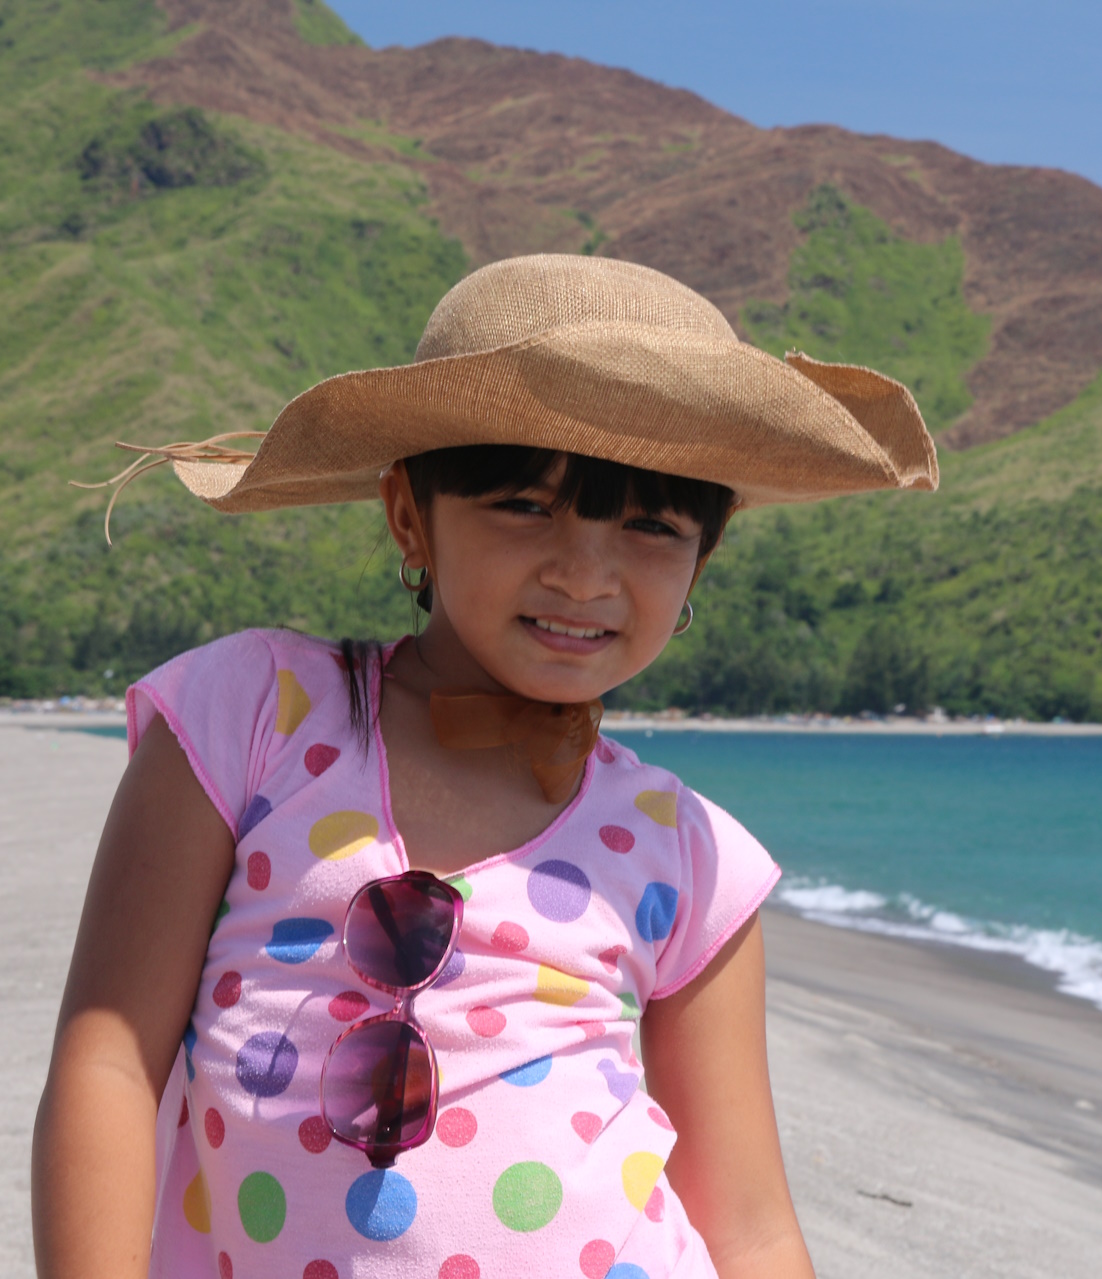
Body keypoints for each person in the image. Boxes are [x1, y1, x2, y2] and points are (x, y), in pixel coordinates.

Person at [31, 254, 938, 1279]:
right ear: (410, 515)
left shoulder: (691, 854)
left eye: (651, 524)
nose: (584, 571)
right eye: (524, 505)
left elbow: (753, 1225)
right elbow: (107, 1058)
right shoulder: (251, 716)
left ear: (703, 560)